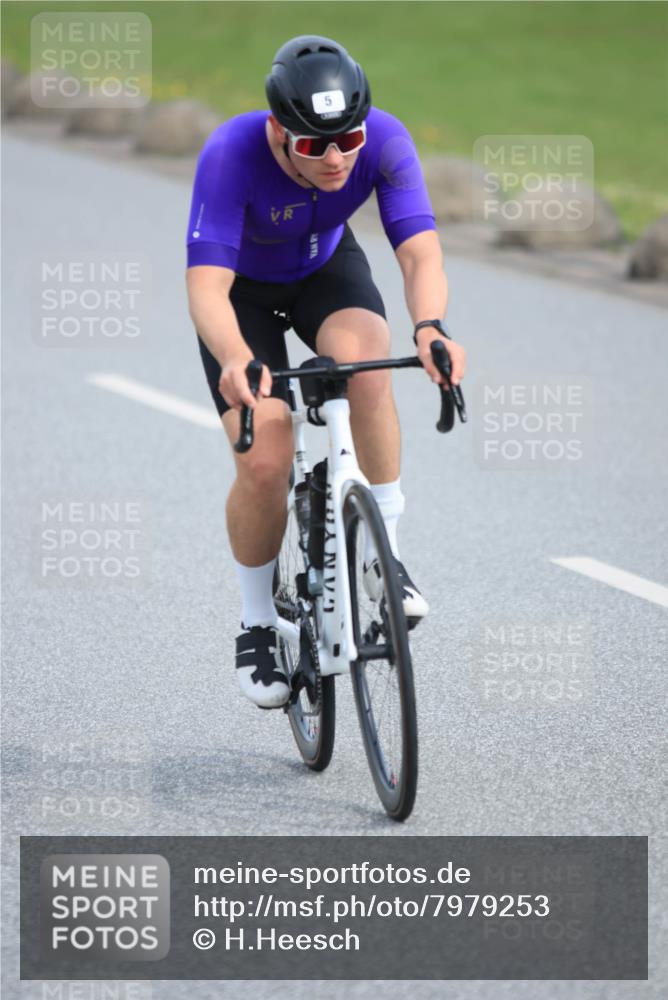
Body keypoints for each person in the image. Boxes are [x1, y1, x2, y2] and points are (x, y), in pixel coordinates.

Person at [185, 35, 466, 709]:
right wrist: (234, 357)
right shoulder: (231, 153)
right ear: (280, 133)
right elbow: (205, 286)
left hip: (322, 272)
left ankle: (383, 558)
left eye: (348, 139)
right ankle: (257, 622)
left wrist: (429, 327)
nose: (337, 157)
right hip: (242, 298)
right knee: (265, 457)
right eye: (314, 145)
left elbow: (421, 255)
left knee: (370, 367)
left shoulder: (386, 141)